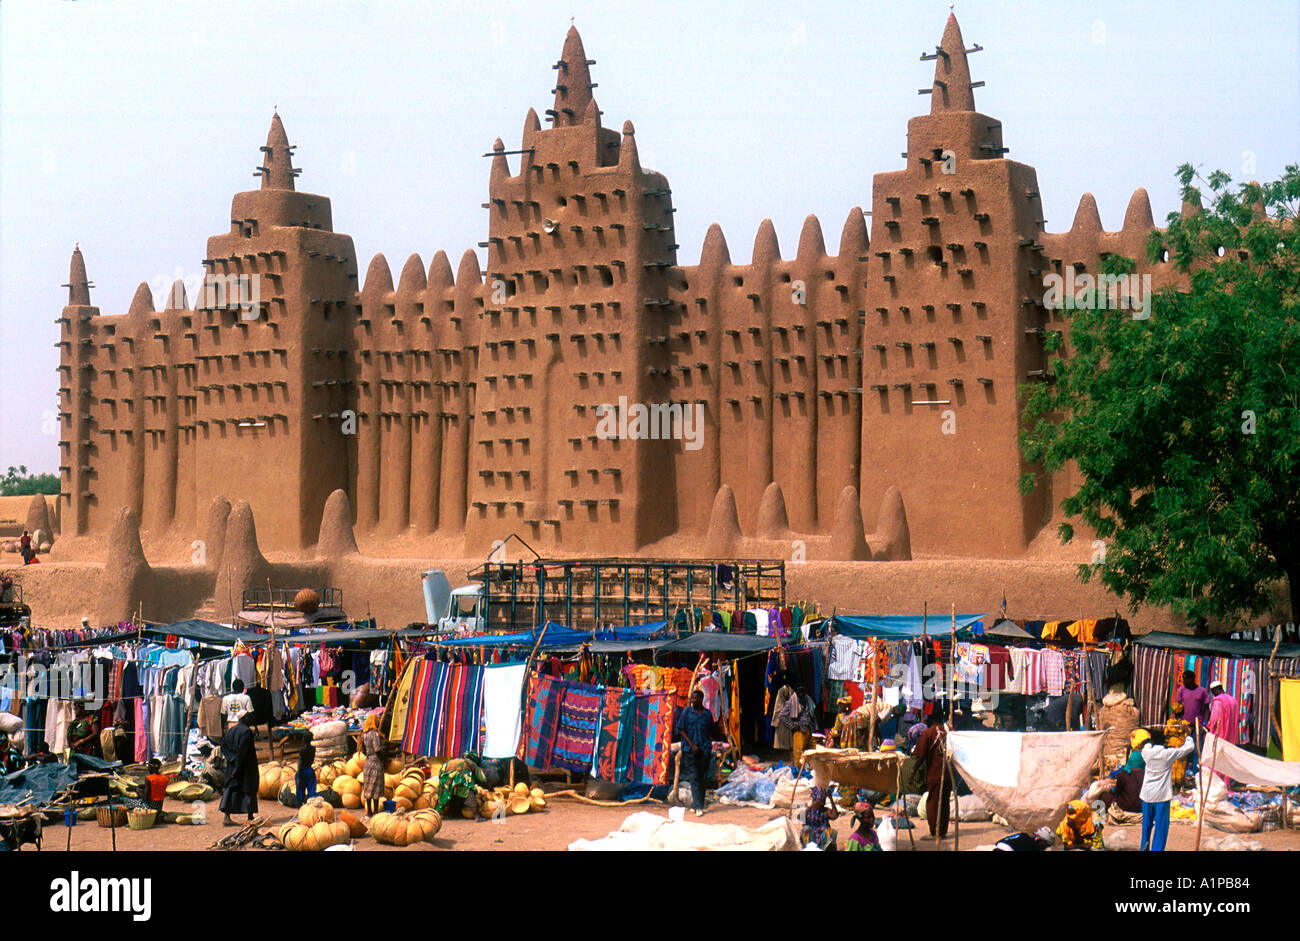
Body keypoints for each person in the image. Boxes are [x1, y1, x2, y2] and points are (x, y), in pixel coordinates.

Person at [1138, 727, 1196, 851]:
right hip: (1161, 796)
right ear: (1164, 742)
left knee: (1146, 827)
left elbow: (1145, 744)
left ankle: (1144, 848)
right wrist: (1188, 736)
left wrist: (1148, 740)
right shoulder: (1167, 754)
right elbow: (1188, 748)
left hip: (1147, 795)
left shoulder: (1146, 753)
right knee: (1160, 828)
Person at [674, 688, 721, 816]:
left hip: (704, 750)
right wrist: (692, 745)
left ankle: (696, 804)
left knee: (702, 777)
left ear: (701, 699)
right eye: (692, 698)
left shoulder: (707, 714)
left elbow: (712, 731)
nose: (693, 700)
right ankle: (699, 806)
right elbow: (681, 729)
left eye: (695, 698)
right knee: (693, 777)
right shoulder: (686, 712)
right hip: (690, 750)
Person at [912, 711, 952, 839]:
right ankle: (943, 831)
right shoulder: (949, 732)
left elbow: (920, 756)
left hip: (935, 774)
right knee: (945, 802)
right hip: (948, 774)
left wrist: (912, 772)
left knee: (933, 803)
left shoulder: (928, 733)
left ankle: (935, 832)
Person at [219, 712, 258, 826]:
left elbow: (223, 747)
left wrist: (231, 759)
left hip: (233, 765)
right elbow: (243, 751)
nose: (251, 719)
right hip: (245, 766)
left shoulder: (231, 731)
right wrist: (238, 765)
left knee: (231, 788)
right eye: (249, 717)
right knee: (249, 789)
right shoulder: (246, 732)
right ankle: (250, 816)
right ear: (244, 718)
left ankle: (227, 816)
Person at [774, 684, 816, 764]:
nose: (801, 695)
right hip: (799, 731)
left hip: (809, 730)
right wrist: (792, 726)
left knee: (811, 752)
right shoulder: (791, 702)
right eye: (799, 693)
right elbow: (782, 715)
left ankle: (810, 771)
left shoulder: (808, 701)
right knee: (798, 755)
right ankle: (798, 771)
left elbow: (812, 714)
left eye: (803, 693)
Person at [800, 786, 839, 850]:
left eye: (823, 802)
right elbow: (800, 817)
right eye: (820, 802)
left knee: (830, 832)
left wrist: (831, 798)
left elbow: (835, 815)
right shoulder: (809, 811)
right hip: (812, 837)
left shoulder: (825, 811)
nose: (822, 804)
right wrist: (811, 806)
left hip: (822, 837)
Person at [361, 713, 385, 816]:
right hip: (375, 762)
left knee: (368, 787)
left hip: (367, 762)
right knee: (376, 787)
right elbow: (377, 749)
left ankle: (369, 811)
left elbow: (363, 750)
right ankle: (375, 810)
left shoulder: (364, 734)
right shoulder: (375, 734)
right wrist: (383, 759)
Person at [1164, 704, 1192, 786]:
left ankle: (1172, 783)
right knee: (1180, 765)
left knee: (1172, 763)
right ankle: (1178, 784)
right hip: (1181, 745)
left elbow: (1166, 733)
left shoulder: (1169, 722)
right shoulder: (1185, 723)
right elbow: (1188, 734)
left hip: (1172, 745)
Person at [295, 732, 317, 805]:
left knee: (300, 790)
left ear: (304, 739)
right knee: (311, 789)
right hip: (310, 770)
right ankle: (313, 805)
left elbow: (300, 763)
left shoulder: (302, 750)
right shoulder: (313, 749)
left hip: (302, 771)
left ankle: (300, 806)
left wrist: (298, 776)